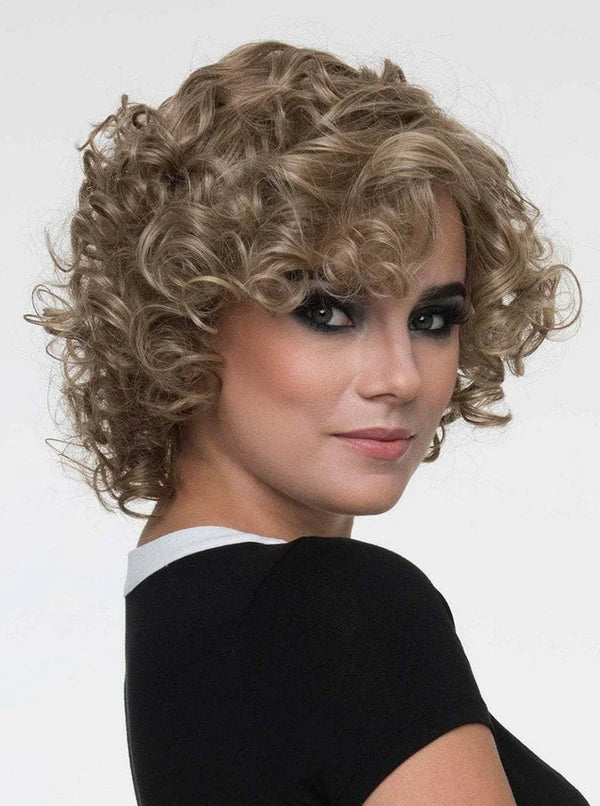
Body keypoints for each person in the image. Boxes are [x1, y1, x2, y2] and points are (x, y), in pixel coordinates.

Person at [24, 40, 588, 805]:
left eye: (433, 318)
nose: (400, 377)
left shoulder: (183, 616)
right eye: (327, 311)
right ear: (184, 316)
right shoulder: (333, 611)